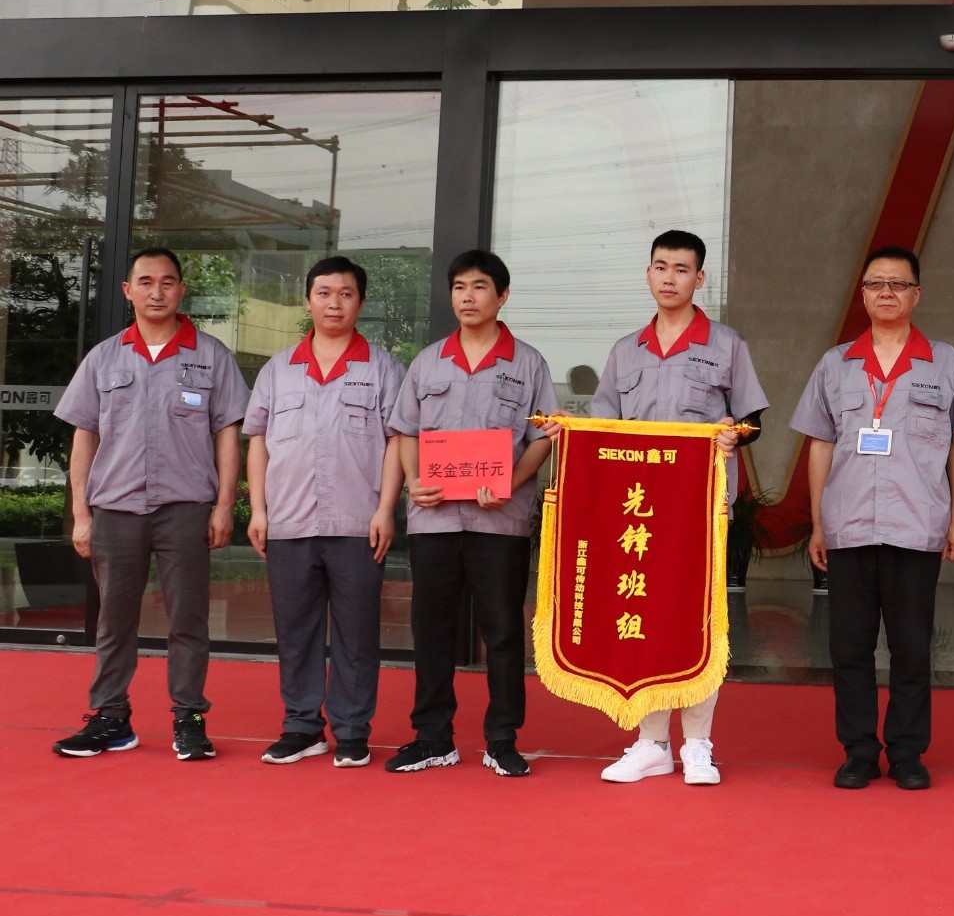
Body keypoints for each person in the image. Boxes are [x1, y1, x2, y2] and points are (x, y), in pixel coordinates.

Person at [791, 246, 954, 790]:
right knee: (848, 647)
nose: (887, 293)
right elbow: (820, 444)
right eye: (876, 284)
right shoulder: (835, 364)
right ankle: (858, 751)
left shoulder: (945, 361)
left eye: (898, 284)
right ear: (863, 295)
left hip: (916, 525)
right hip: (848, 525)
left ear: (917, 294)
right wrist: (819, 524)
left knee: (911, 647)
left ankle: (907, 752)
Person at [51, 247, 248, 761]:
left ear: (181, 289)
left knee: (188, 620)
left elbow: (228, 435)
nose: (156, 292)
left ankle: (189, 717)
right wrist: (81, 514)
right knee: (114, 621)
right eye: (145, 282)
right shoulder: (104, 357)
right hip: (116, 509)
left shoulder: (211, 356)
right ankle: (111, 717)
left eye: (167, 282)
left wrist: (224, 505)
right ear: (128, 291)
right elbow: (84, 438)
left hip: (186, 508)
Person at [586, 230, 764, 787]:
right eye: (661, 267)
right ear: (648, 274)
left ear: (699, 278)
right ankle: (652, 743)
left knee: (699, 622)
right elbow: (602, 427)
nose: (669, 278)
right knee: (642, 617)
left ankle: (699, 744)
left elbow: (752, 421)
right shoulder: (626, 350)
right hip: (637, 511)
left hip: (700, 507)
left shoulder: (727, 345)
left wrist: (734, 435)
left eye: (681, 269)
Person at [385, 249, 558, 777]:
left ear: (502, 296)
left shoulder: (528, 363)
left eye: (480, 287)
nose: (467, 297)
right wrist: (415, 480)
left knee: (502, 632)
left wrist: (510, 483)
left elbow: (542, 438)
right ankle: (432, 736)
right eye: (459, 287)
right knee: (431, 630)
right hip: (434, 520)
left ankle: (502, 739)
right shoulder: (428, 361)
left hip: (498, 522)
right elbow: (407, 431)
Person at [242, 256, 405, 769]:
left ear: (361, 302)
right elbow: (257, 440)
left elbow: (398, 442)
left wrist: (386, 509)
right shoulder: (277, 369)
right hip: (288, 522)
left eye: (346, 294)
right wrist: (259, 509)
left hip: (358, 523)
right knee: (295, 631)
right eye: (324, 293)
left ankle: (353, 731)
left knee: (357, 634)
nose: (335, 303)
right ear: (308, 300)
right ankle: (301, 728)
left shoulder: (383, 368)